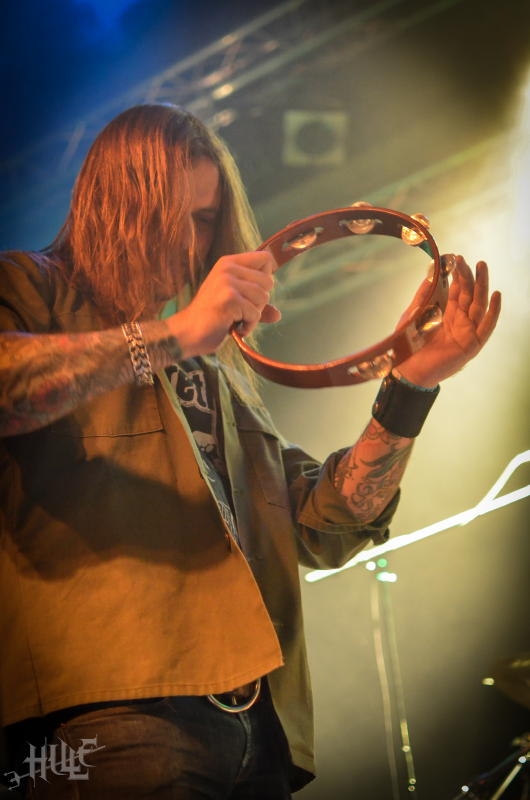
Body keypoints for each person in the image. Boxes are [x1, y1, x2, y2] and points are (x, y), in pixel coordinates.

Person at [0, 104, 501, 799]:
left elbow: (325, 526)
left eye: (205, 219)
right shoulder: (29, 287)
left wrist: (411, 385)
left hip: (261, 729)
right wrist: (175, 333)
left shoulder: (214, 370)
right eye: (167, 216)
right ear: (112, 204)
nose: (188, 242)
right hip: (111, 716)